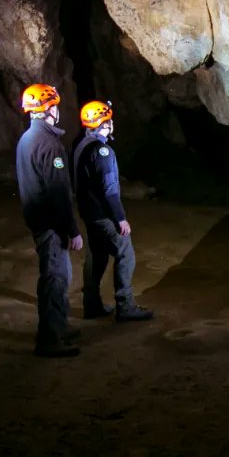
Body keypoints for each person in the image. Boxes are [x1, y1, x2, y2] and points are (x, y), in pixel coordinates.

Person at [15, 83, 84, 358]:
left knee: (59, 274)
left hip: (38, 218)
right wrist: (73, 229)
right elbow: (59, 193)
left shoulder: (27, 139)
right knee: (55, 278)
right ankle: (50, 339)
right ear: (48, 110)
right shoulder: (50, 145)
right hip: (51, 223)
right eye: (54, 105)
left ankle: (59, 326)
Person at [72, 99, 154, 322]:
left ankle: (92, 304)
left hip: (88, 212)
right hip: (103, 214)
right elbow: (109, 190)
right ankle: (125, 306)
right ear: (104, 123)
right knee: (126, 255)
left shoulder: (80, 144)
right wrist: (120, 218)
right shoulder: (103, 151)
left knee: (96, 256)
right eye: (109, 119)